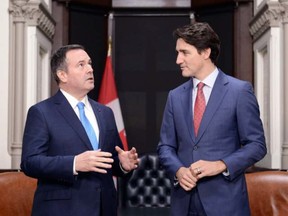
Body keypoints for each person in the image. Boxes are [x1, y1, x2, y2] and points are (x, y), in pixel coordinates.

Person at [157, 22, 267, 216]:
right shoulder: (175, 96)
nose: (177, 59)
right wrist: (179, 171)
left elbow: (257, 145)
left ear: (205, 52)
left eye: (184, 52)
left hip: (226, 203)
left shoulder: (239, 91)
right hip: (184, 203)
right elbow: (165, 147)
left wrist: (221, 164)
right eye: (177, 52)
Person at [21, 44, 139, 216]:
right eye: (81, 65)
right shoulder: (41, 112)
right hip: (62, 210)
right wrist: (74, 163)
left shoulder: (105, 113)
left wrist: (123, 165)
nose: (90, 69)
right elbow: (29, 162)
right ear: (62, 75)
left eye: (90, 63)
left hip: (104, 208)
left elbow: (108, 160)